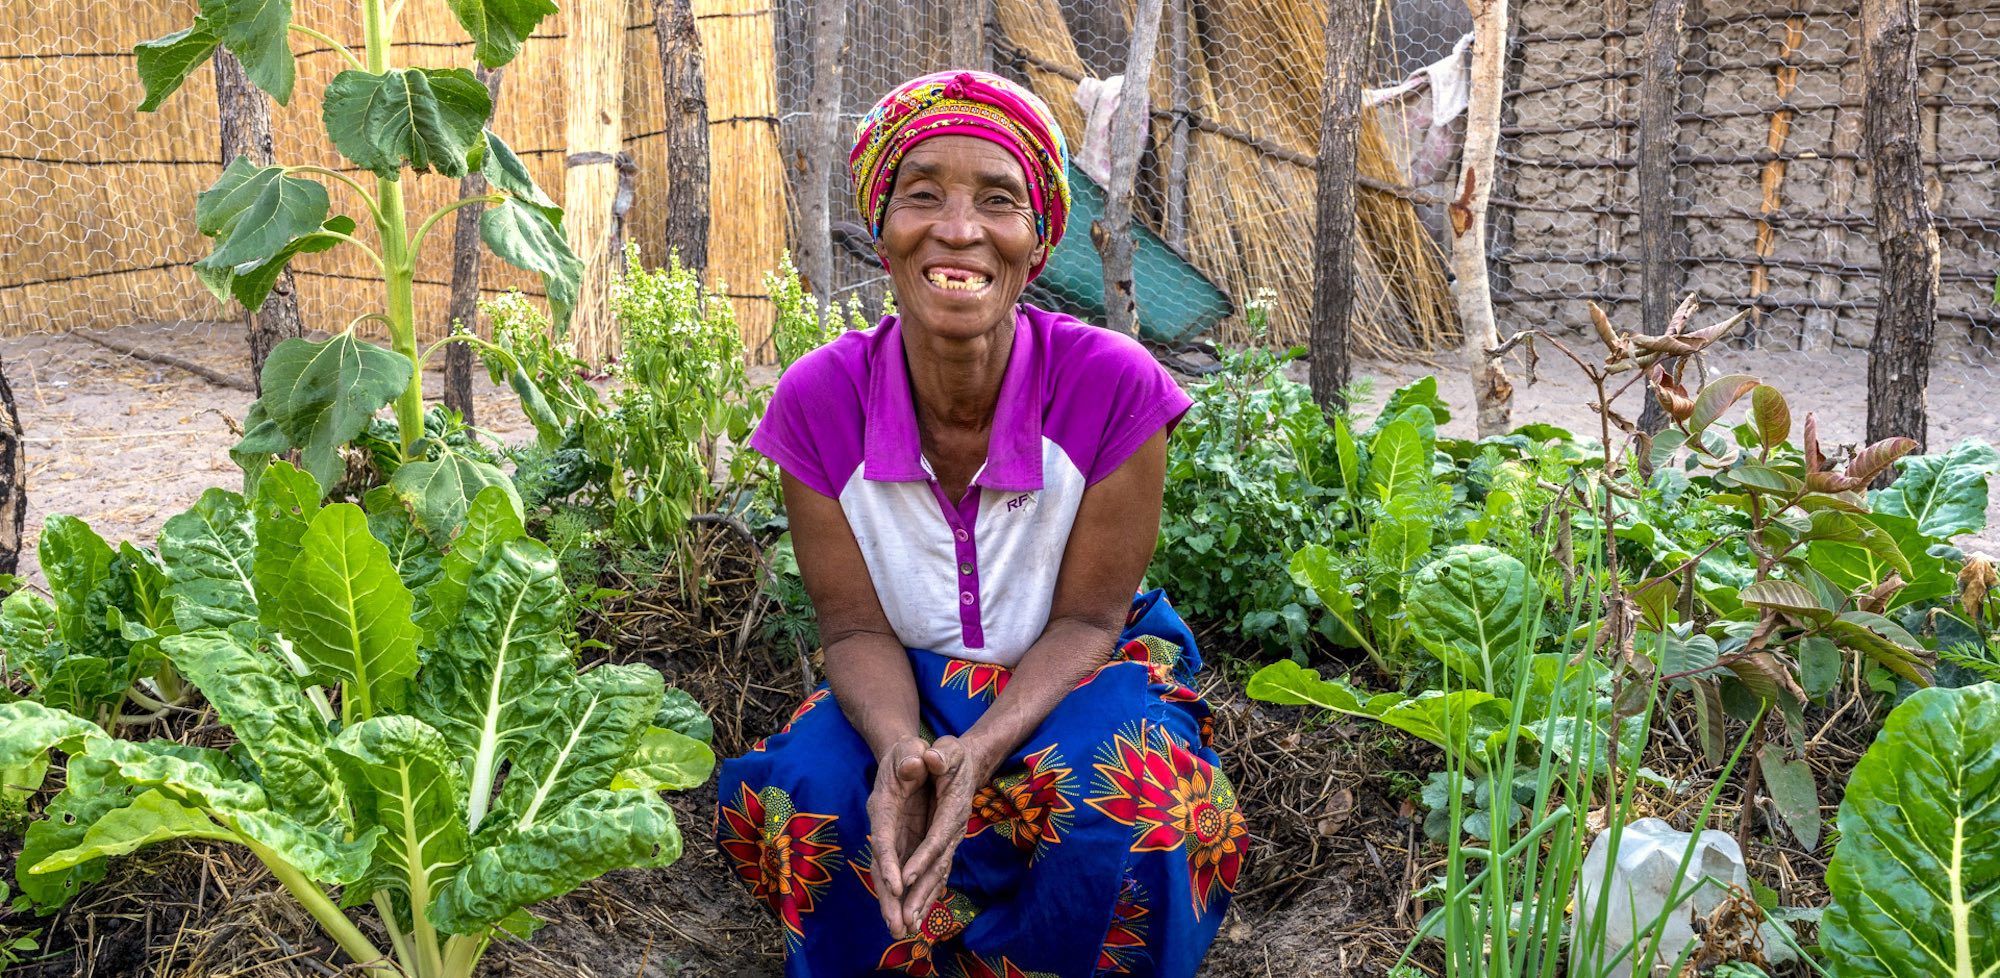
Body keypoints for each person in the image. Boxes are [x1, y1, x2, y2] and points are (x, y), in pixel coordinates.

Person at [717, 70, 1245, 978]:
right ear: (881, 233)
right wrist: (901, 753)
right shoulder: (819, 402)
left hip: (1074, 675)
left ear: (1037, 247)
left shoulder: (1111, 388)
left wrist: (981, 752)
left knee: (1145, 798)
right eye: (922, 195)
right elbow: (851, 628)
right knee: (814, 796)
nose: (958, 229)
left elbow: (1087, 620)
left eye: (997, 201)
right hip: (900, 682)